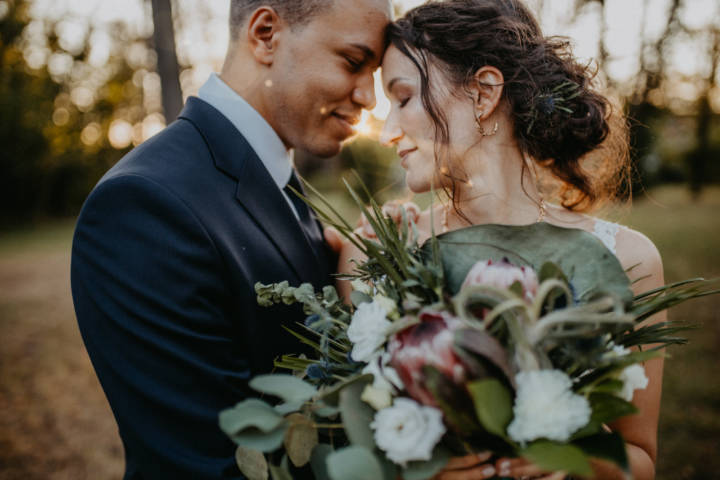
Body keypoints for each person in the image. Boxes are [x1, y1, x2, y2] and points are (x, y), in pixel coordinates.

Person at [335, 1, 665, 479]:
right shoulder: (386, 252)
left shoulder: (629, 259)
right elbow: (349, 438)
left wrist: (572, 450)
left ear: (484, 93)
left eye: (403, 99)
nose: (387, 133)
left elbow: (642, 461)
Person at [70, 0, 390, 478]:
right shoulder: (144, 205)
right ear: (265, 35)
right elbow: (203, 464)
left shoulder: (280, 179)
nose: (369, 97)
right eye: (353, 62)